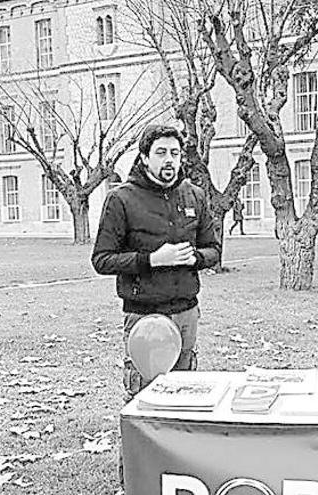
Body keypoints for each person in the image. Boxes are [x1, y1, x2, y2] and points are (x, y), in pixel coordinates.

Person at [92, 124, 221, 399]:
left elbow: (214, 251)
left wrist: (195, 258)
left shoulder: (194, 195)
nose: (169, 160)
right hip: (144, 315)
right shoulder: (121, 199)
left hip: (186, 311)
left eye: (175, 153)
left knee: (184, 393)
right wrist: (151, 260)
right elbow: (102, 260)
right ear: (145, 157)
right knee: (145, 396)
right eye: (161, 152)